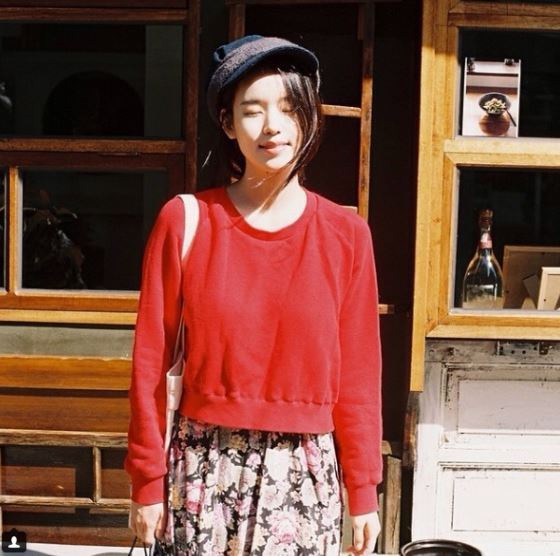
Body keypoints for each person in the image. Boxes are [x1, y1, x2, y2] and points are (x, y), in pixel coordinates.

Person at [124, 35, 383, 555]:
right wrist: (146, 480)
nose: (272, 126)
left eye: (289, 107)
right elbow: (151, 360)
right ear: (227, 123)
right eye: (252, 110)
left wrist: (362, 489)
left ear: (309, 117)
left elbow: (359, 375)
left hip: (304, 471)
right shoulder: (187, 221)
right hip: (201, 467)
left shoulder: (347, 236)